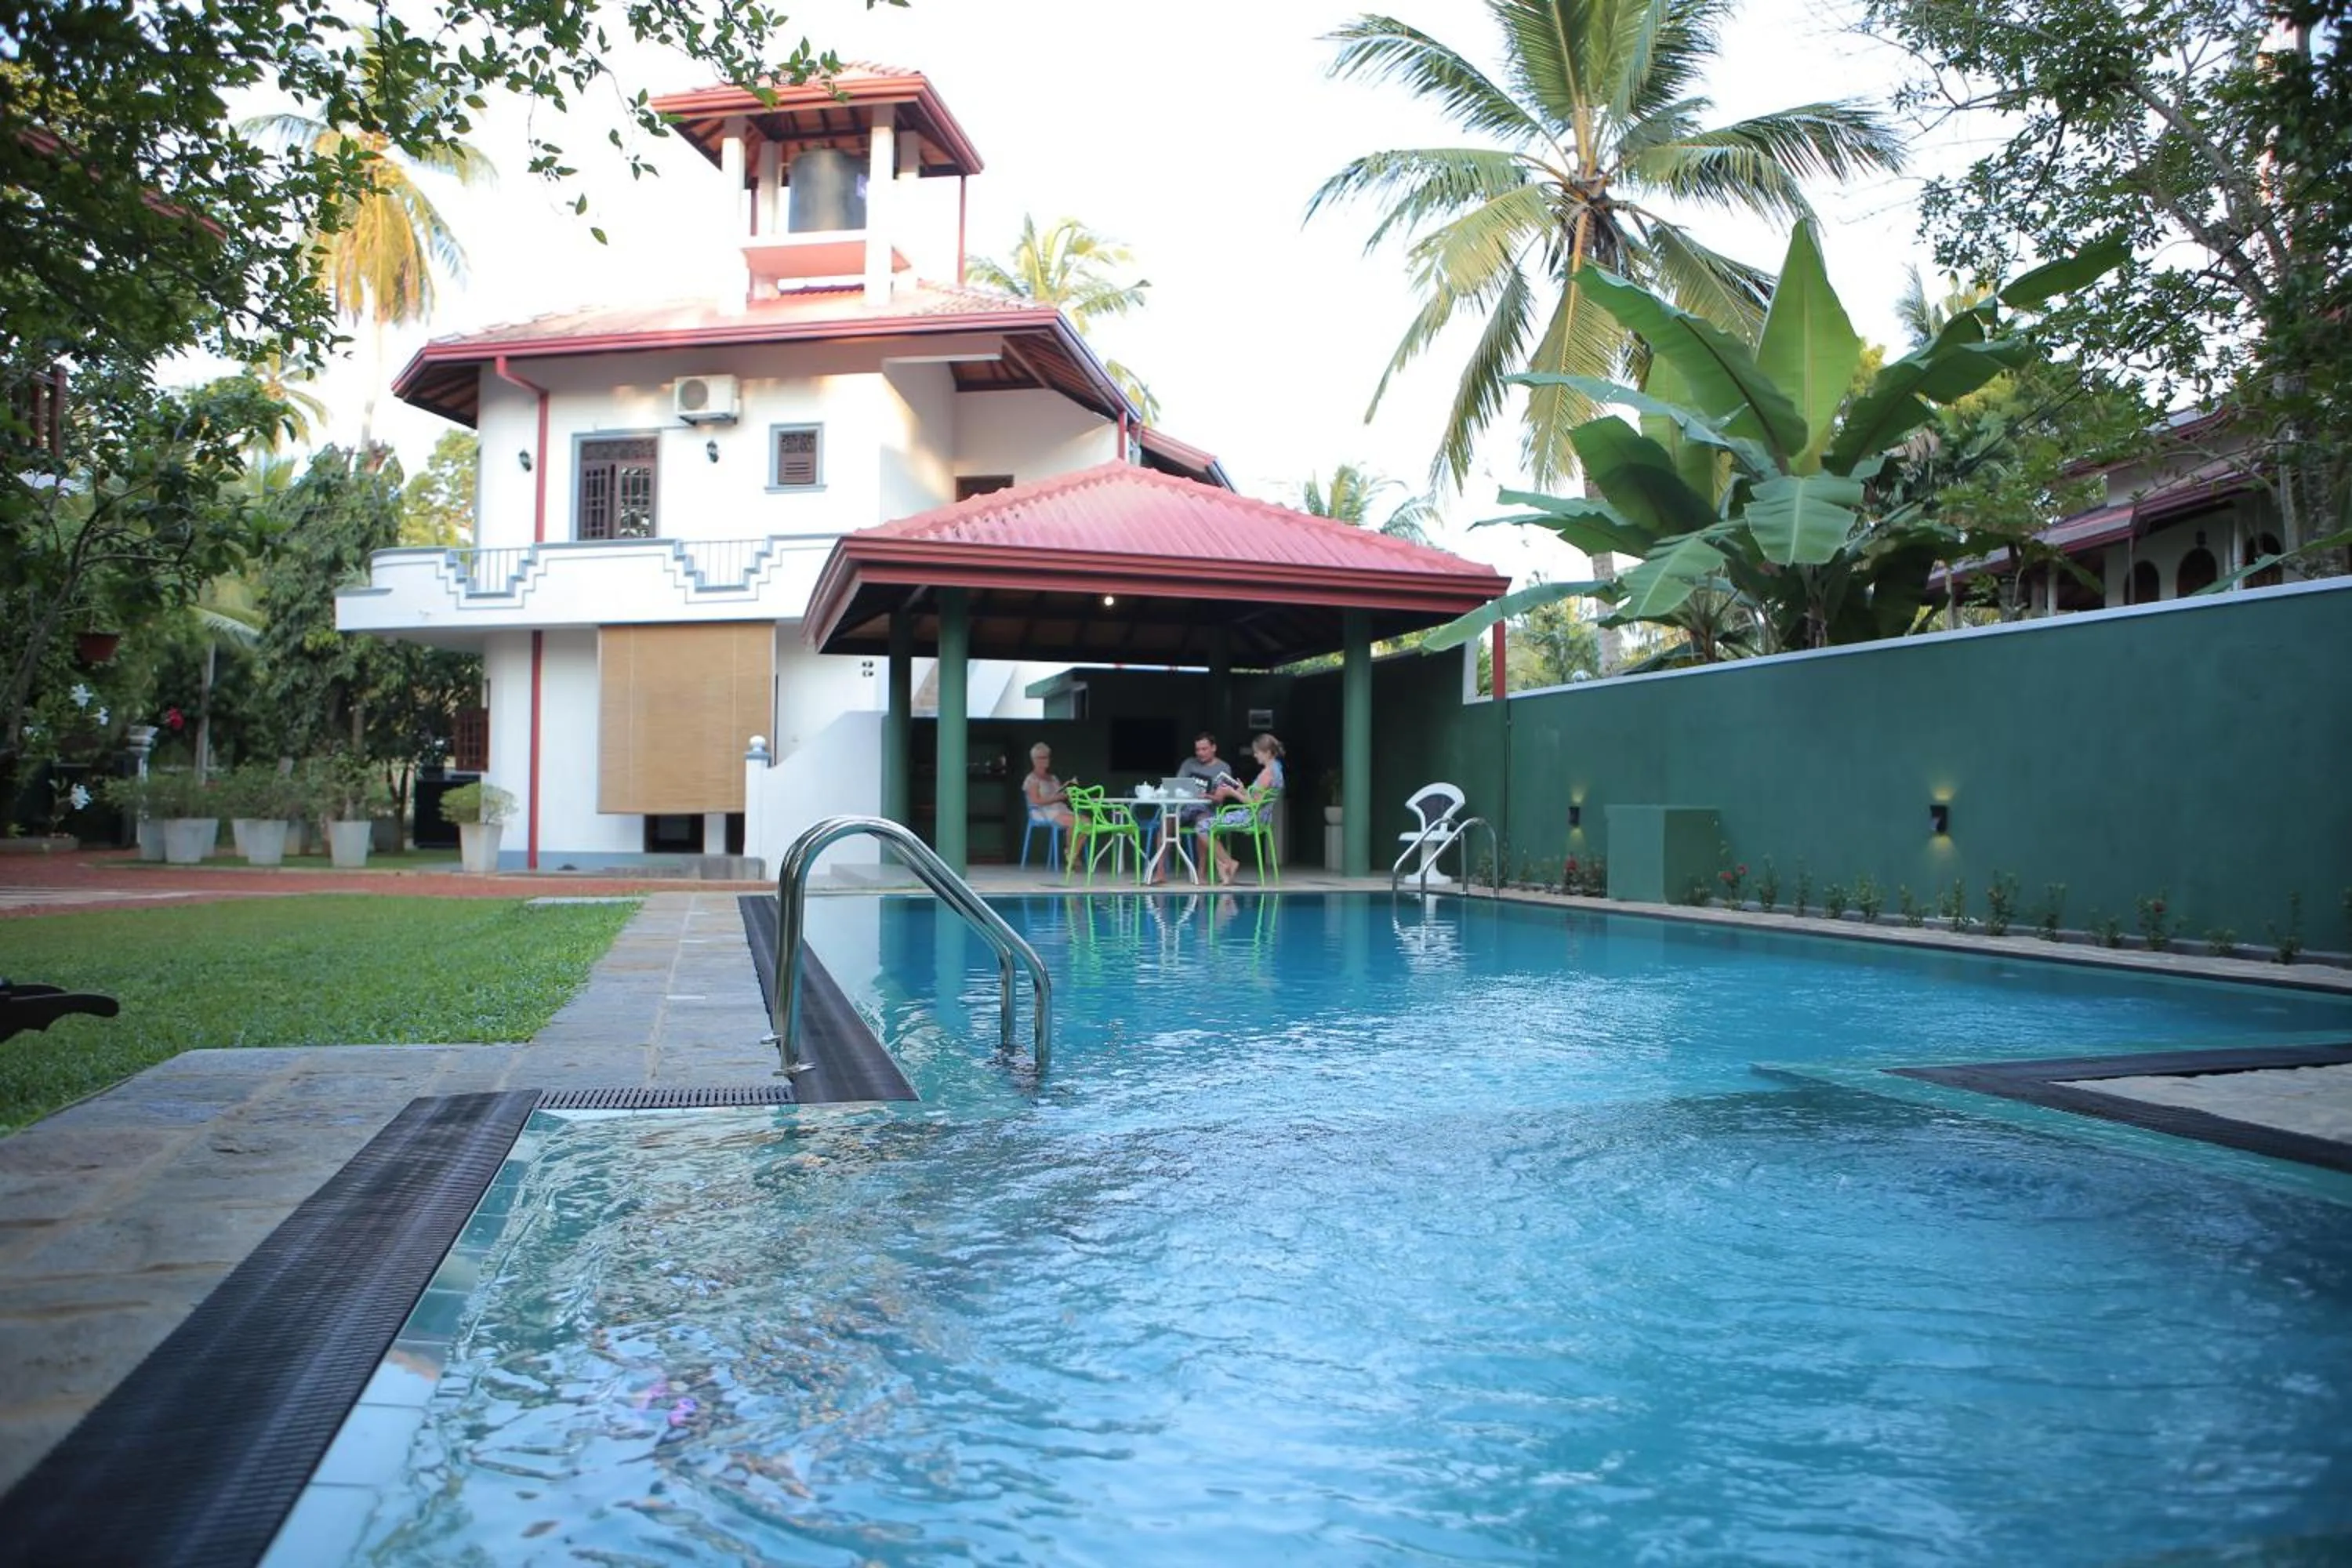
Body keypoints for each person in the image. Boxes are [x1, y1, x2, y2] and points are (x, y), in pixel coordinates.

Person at [1199, 732, 1284, 882]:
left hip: (1250, 818)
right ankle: (1225, 867)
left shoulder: (1267, 774)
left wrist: (1232, 792)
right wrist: (1243, 790)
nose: (1255, 755)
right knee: (1213, 826)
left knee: (1202, 827)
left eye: (1258, 752)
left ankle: (1229, 863)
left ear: (1268, 753)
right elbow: (1257, 800)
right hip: (1262, 818)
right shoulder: (1277, 770)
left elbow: (1252, 804)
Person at [1022, 744, 1077, 860]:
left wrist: (1068, 789)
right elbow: (1035, 801)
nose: (1046, 760)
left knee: (1086, 822)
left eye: (1047, 757)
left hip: (1060, 809)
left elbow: (1059, 793)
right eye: (1042, 757)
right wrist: (1057, 798)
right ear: (1034, 760)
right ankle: (1072, 857)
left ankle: (1072, 853)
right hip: (1043, 812)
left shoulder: (1053, 778)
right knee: (1076, 823)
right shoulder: (1032, 779)